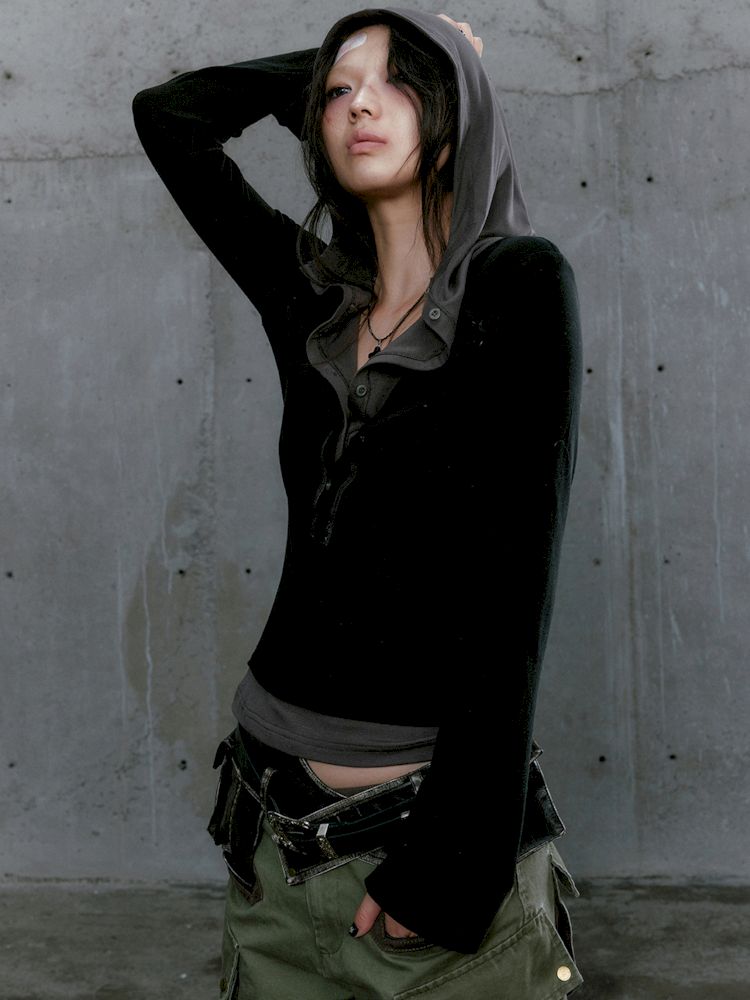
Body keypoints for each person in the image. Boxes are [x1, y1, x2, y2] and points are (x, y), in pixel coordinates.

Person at [133, 7, 583, 998]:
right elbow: (169, 116)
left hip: (416, 845)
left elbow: (516, 587)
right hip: (265, 830)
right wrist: (354, 63)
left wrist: (454, 863)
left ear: (455, 123)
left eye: (397, 86)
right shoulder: (312, 298)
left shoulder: (518, 285)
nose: (359, 106)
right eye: (338, 94)